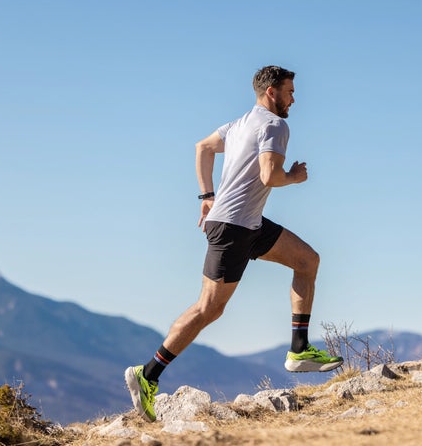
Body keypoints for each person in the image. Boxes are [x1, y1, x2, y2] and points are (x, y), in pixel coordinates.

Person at [125, 65, 342, 422]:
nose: (293, 98)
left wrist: (206, 195)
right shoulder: (274, 125)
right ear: (271, 92)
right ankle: (147, 375)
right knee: (208, 309)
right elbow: (269, 176)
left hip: (247, 223)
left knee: (307, 261)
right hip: (233, 228)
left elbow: (203, 147)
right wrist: (296, 177)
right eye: (289, 91)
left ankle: (299, 350)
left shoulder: (240, 125)